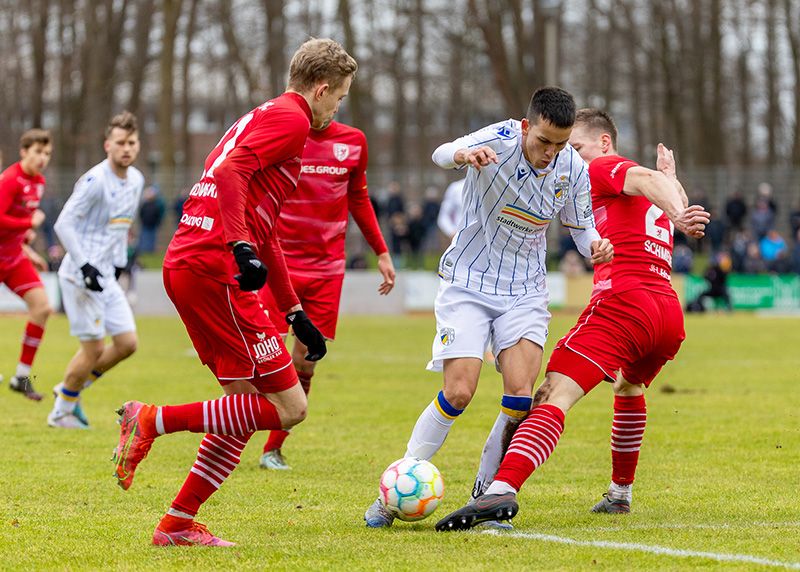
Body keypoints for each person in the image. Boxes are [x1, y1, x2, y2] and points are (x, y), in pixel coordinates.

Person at [110, 38, 357, 547]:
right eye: (339, 98)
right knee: (291, 407)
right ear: (322, 87)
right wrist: (239, 246)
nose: (337, 110)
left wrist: (293, 312)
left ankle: (176, 524)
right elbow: (228, 176)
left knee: (240, 411)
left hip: (194, 265)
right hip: (214, 269)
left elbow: (266, 231)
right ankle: (151, 420)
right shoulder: (291, 120)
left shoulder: (264, 117)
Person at [434, 108, 709, 531]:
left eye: (575, 146)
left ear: (603, 143)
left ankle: (499, 491)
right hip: (666, 311)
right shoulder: (625, 179)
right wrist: (675, 192)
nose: (569, 157)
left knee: (550, 394)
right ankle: (620, 493)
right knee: (629, 386)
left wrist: (671, 200)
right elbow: (658, 188)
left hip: (625, 302)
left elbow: (650, 184)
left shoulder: (602, 166)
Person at [364, 87, 613, 528]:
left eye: (560, 144)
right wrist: (464, 154)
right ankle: (396, 486)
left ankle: (486, 496)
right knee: (460, 391)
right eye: (543, 142)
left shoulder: (573, 167)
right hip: (468, 283)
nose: (549, 153)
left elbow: (581, 224)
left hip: (525, 291)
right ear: (525, 126)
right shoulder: (499, 137)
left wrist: (593, 244)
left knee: (520, 397)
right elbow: (442, 153)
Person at [258, 117, 396, 470]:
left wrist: (380, 251)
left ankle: (272, 449)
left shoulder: (354, 141)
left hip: (326, 270)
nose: (335, 105)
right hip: (278, 263)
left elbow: (359, 198)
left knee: (307, 359)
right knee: (261, 358)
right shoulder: (285, 133)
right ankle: (230, 435)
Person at [47, 111, 144, 429]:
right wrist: (86, 264)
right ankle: (61, 412)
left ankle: (70, 390)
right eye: (120, 143)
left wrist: (117, 264)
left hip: (105, 274)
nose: (126, 148)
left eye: (131, 142)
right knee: (93, 349)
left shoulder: (137, 180)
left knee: (127, 343)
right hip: (79, 275)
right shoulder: (94, 181)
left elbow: (121, 227)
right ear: (107, 145)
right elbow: (64, 223)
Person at [0, 129, 54, 400]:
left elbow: (18, 223)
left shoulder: (39, 181)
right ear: (24, 152)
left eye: (46, 153)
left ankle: (21, 376)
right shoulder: (9, 179)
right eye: (37, 152)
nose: (42, 158)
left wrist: (28, 248)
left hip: (12, 257)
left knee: (42, 307)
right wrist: (28, 224)